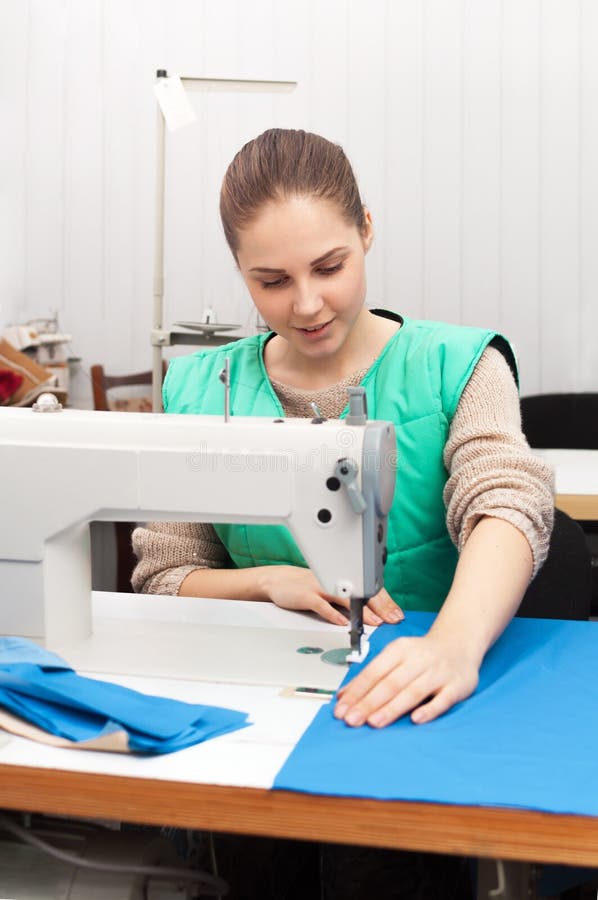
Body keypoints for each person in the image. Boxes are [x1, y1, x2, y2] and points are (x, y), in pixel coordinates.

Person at [132, 128, 553, 900]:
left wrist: (453, 646)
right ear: (239, 273)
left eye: (329, 266)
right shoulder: (199, 387)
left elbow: (508, 501)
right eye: (270, 280)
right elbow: (166, 573)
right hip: (258, 718)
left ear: (366, 228)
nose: (307, 303)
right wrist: (265, 582)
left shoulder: (458, 367)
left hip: (420, 703)